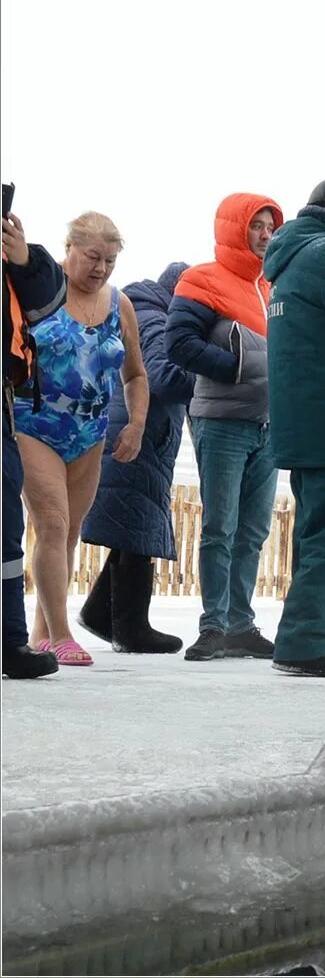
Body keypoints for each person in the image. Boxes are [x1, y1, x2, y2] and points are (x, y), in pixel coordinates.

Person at [10, 212, 148, 669]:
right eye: (92, 257)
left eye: (110, 260)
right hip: (33, 423)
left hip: (89, 432)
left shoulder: (120, 304)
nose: (101, 268)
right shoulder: (42, 291)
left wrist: (136, 423)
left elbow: (135, 375)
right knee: (51, 522)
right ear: (68, 249)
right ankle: (62, 634)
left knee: (68, 532)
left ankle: (42, 632)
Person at [166, 193, 283, 662]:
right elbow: (179, 343)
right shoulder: (202, 280)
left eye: (271, 226)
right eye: (256, 225)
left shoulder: (275, 285)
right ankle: (213, 625)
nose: (266, 235)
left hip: (270, 424)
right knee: (220, 527)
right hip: (222, 423)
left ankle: (240, 625)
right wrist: (236, 368)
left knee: (253, 531)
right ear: (235, 228)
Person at [263, 177, 325, 678]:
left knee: (316, 529)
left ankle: (308, 632)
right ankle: (308, 639)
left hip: (304, 419)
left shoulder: (291, 258)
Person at [77, 261, 194, 654]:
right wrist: (209, 378)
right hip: (138, 434)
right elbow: (163, 376)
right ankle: (131, 628)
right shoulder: (158, 321)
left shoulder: (144, 312)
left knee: (131, 525)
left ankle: (100, 614)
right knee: (138, 526)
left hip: (137, 432)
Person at [2, 193, 67, 679]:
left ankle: (8, 641)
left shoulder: (15, 252)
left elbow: (48, 301)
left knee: (5, 529)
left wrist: (23, 258)